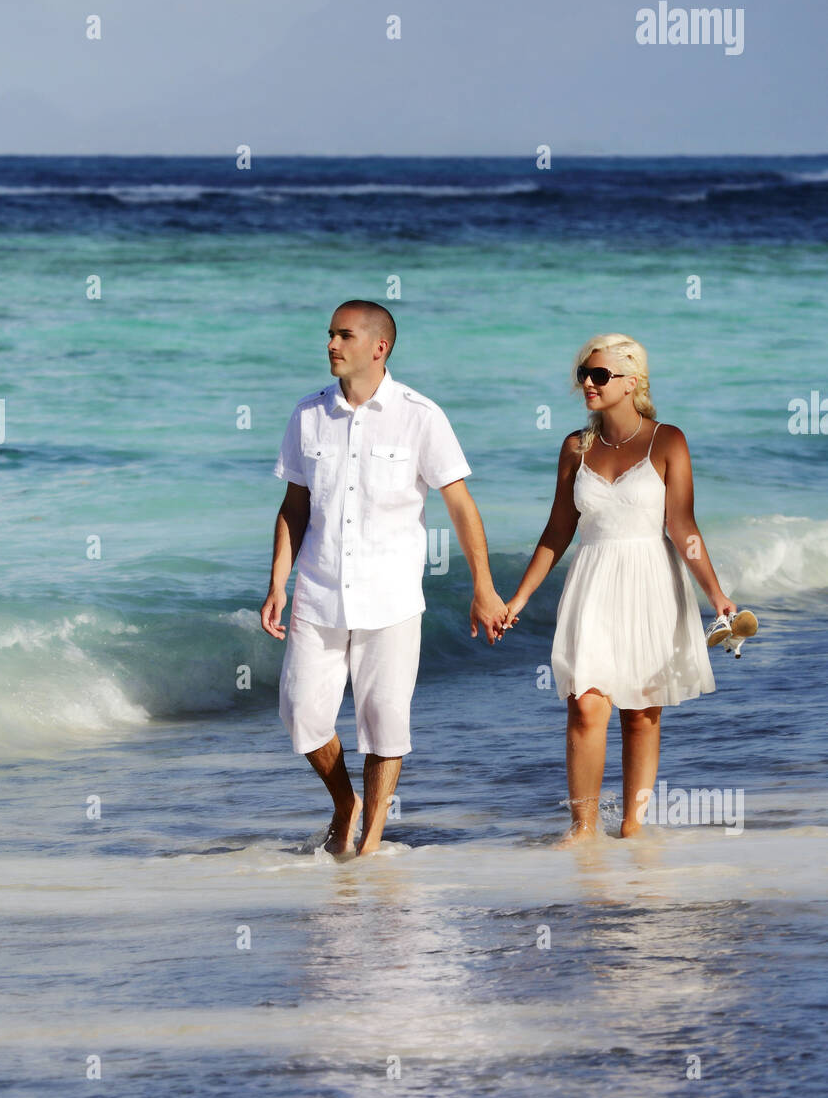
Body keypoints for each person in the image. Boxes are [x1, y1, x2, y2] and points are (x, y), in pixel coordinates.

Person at [261, 300, 508, 857]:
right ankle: (344, 802)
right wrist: (279, 581)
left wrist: (483, 587)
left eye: (343, 335)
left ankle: (369, 847)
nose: (330, 345)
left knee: (385, 725)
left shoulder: (421, 415)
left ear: (379, 347)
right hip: (317, 593)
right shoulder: (307, 414)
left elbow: (461, 506)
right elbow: (293, 505)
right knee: (302, 713)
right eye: (328, 335)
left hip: (392, 598)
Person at [503, 332, 733, 841]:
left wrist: (716, 596)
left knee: (640, 712)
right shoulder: (575, 447)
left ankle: (633, 828)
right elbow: (557, 531)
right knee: (585, 705)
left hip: (651, 581)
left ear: (632, 382)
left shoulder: (667, 440)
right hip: (593, 583)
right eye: (583, 374)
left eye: (599, 374)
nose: (587, 382)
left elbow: (683, 527)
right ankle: (583, 829)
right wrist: (517, 598)